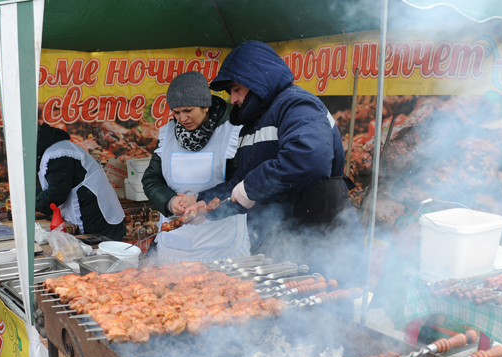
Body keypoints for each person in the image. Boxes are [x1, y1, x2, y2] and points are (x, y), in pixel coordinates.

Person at [192, 41, 365, 288]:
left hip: (319, 242)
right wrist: (204, 204)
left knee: (324, 319)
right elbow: (241, 185)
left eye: (237, 89)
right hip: (278, 244)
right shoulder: (252, 125)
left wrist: (249, 187)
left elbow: (308, 160)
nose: (234, 98)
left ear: (257, 81)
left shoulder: (297, 105)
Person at [141, 71, 249, 263]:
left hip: (220, 243)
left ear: (205, 106)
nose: (182, 118)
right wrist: (169, 201)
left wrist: (200, 201)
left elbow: (242, 182)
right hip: (175, 245)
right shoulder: (167, 135)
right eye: (176, 112)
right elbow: (152, 179)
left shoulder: (233, 132)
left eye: (188, 110)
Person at [35, 122, 126, 240]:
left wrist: (32, 207)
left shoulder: (58, 153)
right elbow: (51, 184)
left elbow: (57, 192)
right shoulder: (54, 149)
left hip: (96, 216)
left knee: (100, 252)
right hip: (90, 211)